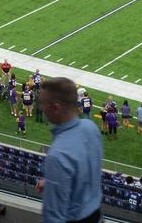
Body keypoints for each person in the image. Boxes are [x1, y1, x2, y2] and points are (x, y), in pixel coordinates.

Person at [38, 77, 102, 223]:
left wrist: (56, 177)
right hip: (96, 214)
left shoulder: (58, 155)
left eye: (42, 103)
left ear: (56, 108)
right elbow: (84, 172)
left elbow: (54, 218)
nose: (41, 107)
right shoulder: (90, 127)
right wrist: (55, 180)